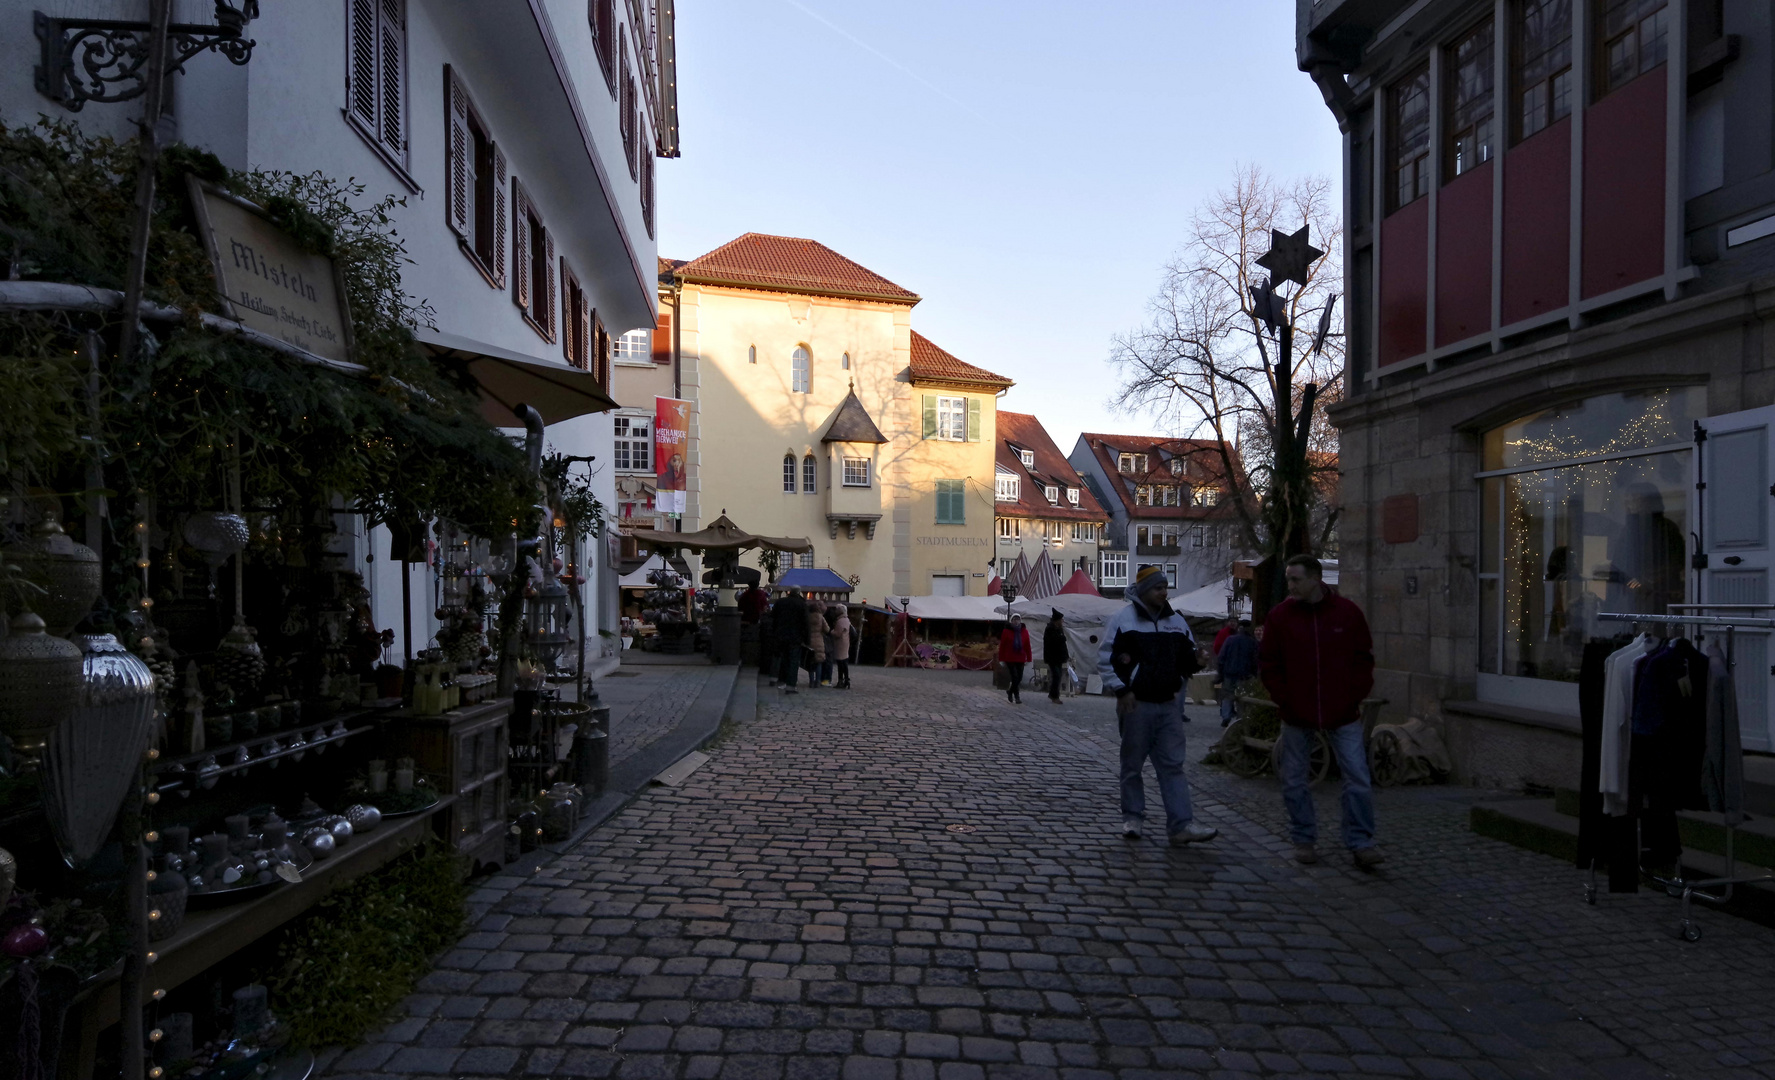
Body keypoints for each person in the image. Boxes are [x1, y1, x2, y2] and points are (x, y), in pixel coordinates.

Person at [1258, 554, 1381, 868]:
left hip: (1343, 712)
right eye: (1289, 578)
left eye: (1296, 579)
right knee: (1294, 779)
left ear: (1316, 579)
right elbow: (1269, 664)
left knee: (1357, 778)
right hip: (1296, 712)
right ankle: (1304, 838)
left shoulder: (1347, 613)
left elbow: (1363, 659)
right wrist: (1284, 698)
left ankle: (1361, 842)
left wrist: (1353, 695)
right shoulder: (1280, 617)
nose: (1291, 585)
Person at [1099, 567, 1218, 845]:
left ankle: (1180, 825)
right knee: (1132, 766)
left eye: (1165, 587)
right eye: (1157, 587)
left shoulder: (1176, 622)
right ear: (1143, 590)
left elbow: (1185, 659)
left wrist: (1197, 661)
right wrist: (1122, 690)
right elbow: (1106, 659)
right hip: (1136, 705)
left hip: (1168, 706)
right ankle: (1133, 817)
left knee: (1172, 766)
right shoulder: (1122, 620)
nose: (1164, 592)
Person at [1215, 620, 1258, 727]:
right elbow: (1255, 660)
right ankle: (1240, 719)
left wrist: (1221, 672)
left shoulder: (1230, 639)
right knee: (1242, 698)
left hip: (1229, 673)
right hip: (1244, 675)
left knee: (1227, 696)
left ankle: (1226, 716)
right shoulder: (1252, 642)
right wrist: (1254, 673)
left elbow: (1221, 657)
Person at [772, 588, 808, 693]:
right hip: (795, 638)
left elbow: (773, 618)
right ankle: (791, 685)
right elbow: (805, 623)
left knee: (783, 659)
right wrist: (806, 639)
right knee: (793, 661)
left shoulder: (780, 602)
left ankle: (781, 681)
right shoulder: (801, 604)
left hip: (781, 635)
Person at [998, 613, 1032, 703]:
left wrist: (1029, 658)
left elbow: (1027, 645)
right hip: (1010, 657)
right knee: (1015, 677)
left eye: (1018, 619)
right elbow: (1003, 646)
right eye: (1014, 619)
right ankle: (1017, 697)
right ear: (1011, 621)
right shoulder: (1006, 631)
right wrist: (1001, 659)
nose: (1016, 621)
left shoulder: (1024, 631)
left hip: (1020, 657)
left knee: (1019, 677)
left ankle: (1010, 691)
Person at [1043, 609, 1069, 703]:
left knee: (1058, 675)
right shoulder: (1050, 629)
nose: (1062, 622)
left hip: (1059, 657)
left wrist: (1066, 655)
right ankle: (1054, 695)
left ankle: (1053, 694)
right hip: (1052, 657)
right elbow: (1053, 642)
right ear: (1057, 620)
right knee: (1057, 675)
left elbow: (1062, 644)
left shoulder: (1059, 629)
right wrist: (1062, 638)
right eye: (1061, 620)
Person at [804, 597, 828, 688]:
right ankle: (818, 682)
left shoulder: (808, 617)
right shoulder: (821, 617)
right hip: (819, 641)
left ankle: (811, 682)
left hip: (810, 641)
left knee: (811, 663)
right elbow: (827, 629)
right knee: (819, 662)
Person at [831, 607, 853, 689]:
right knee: (844, 662)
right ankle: (846, 680)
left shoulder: (840, 621)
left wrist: (832, 631)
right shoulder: (846, 620)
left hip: (840, 643)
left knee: (841, 663)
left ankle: (842, 680)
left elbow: (837, 634)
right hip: (845, 642)